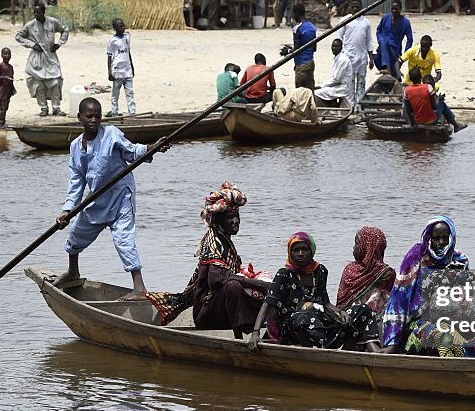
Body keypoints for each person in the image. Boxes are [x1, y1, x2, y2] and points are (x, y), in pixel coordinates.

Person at [52, 97, 167, 301]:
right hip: (97, 198)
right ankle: (73, 272)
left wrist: (152, 147)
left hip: (121, 195)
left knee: (123, 239)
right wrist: (68, 210)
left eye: (98, 116)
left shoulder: (111, 134)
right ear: (79, 118)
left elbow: (132, 152)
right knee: (77, 234)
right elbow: (76, 180)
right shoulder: (75, 146)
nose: (94, 120)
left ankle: (139, 288)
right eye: (89, 116)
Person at [145, 182, 269, 337]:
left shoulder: (225, 240)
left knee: (263, 284)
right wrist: (256, 283)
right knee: (234, 287)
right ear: (219, 221)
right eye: (230, 217)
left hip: (218, 307)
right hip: (205, 313)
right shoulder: (213, 242)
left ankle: (255, 326)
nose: (235, 221)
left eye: (237, 216)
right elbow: (216, 280)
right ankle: (238, 337)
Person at [381, 215, 475, 357]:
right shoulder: (415, 260)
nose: (441, 242)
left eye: (445, 238)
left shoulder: (461, 260)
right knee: (445, 336)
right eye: (436, 238)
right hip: (422, 321)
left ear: (451, 238)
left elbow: (469, 294)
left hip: (458, 318)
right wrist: (393, 343)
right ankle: (457, 365)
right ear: (429, 238)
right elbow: (399, 302)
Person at [247, 232, 379, 351]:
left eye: (304, 249)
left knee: (362, 310)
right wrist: (255, 333)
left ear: (312, 251)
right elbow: (268, 303)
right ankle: (313, 353)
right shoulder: (284, 274)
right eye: (295, 250)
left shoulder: (320, 271)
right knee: (303, 317)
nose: (300, 253)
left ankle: (346, 352)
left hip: (319, 319)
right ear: (289, 252)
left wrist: (341, 312)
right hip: (294, 325)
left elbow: (325, 302)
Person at [15, 2, 69, 116]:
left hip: (50, 56)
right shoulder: (30, 25)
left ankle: (56, 108)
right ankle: (43, 108)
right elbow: (18, 36)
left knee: (55, 82)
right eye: (34, 12)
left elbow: (65, 29)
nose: (36, 14)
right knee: (38, 84)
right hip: (36, 57)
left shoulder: (53, 22)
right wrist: (32, 45)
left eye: (38, 12)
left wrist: (59, 43)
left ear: (43, 12)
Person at [336, 226, 395, 315]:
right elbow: (341, 304)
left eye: (357, 244)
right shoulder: (349, 270)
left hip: (378, 319)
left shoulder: (386, 274)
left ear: (368, 247)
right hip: (351, 317)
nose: (353, 248)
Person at [334, 0, 373, 108]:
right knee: (349, 83)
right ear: (350, 8)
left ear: (361, 8)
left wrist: (371, 58)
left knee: (361, 83)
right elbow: (339, 38)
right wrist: (339, 57)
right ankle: (350, 106)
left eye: (357, 7)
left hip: (362, 57)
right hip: (348, 56)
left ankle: (359, 106)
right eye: (353, 7)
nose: (355, 9)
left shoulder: (366, 23)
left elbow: (369, 40)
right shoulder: (344, 20)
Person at [374, 0, 413, 81]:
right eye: (392, 9)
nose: (394, 11)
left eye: (396, 9)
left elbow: (410, 39)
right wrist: (380, 40)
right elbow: (379, 31)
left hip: (395, 50)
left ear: (401, 9)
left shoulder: (405, 22)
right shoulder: (385, 18)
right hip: (383, 49)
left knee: (395, 76)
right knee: (384, 44)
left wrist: (405, 54)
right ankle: (386, 67)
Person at [106, 18, 136, 117]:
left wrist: (132, 66)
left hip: (127, 70)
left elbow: (128, 52)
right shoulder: (112, 41)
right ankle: (114, 112)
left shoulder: (127, 37)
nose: (123, 27)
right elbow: (109, 57)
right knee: (115, 94)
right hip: (117, 71)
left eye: (123, 25)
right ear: (115, 28)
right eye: (120, 26)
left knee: (130, 93)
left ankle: (132, 112)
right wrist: (110, 72)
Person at [313, 38, 353, 107]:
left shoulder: (342, 60)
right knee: (320, 91)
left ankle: (325, 110)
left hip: (342, 88)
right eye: (333, 46)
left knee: (315, 93)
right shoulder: (337, 58)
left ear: (341, 48)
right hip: (336, 86)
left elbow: (336, 79)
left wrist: (321, 86)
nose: (334, 48)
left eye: (336, 46)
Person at [291, 3, 316, 90]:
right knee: (310, 90)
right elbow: (314, 48)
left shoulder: (297, 28)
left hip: (301, 63)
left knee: (300, 92)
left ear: (296, 14)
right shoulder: (312, 27)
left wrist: (289, 51)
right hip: (311, 62)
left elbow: (296, 49)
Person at [0, 47, 16, 129]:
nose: (7, 55)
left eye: (9, 54)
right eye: (5, 54)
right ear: (1, 55)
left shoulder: (11, 67)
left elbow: (11, 79)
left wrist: (12, 88)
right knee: (1, 107)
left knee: (5, 106)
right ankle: (1, 124)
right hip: (1, 90)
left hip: (7, 90)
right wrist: (4, 78)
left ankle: (3, 122)